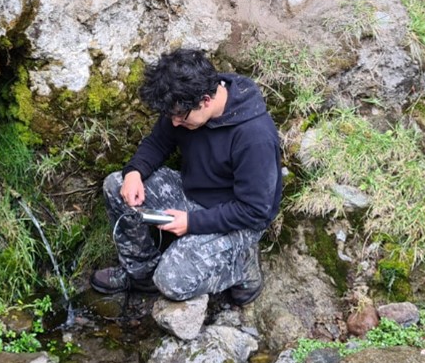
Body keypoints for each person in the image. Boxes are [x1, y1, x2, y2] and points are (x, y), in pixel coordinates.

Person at [91, 48, 282, 305]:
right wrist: (134, 172)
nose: (175, 123)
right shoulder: (182, 103)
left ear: (205, 100)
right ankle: (141, 273)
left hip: (237, 219)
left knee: (171, 281)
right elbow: (158, 142)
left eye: (181, 118)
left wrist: (192, 223)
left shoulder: (254, 136)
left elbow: (256, 210)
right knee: (116, 186)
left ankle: (242, 266)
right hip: (191, 192)